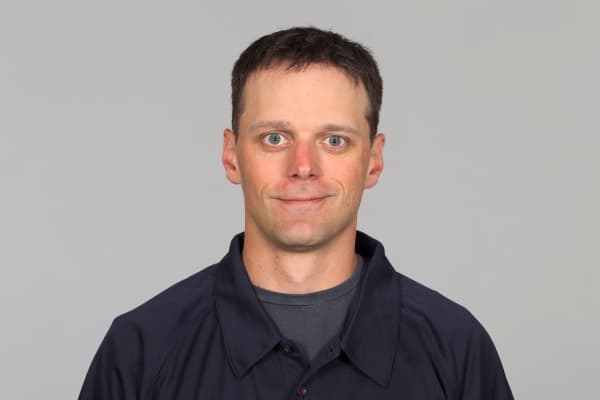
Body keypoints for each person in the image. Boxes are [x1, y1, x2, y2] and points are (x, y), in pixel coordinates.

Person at [79, 27, 513, 399]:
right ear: (232, 156)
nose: (303, 167)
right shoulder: (141, 349)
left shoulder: (456, 347)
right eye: (274, 138)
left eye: (334, 140)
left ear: (373, 161)